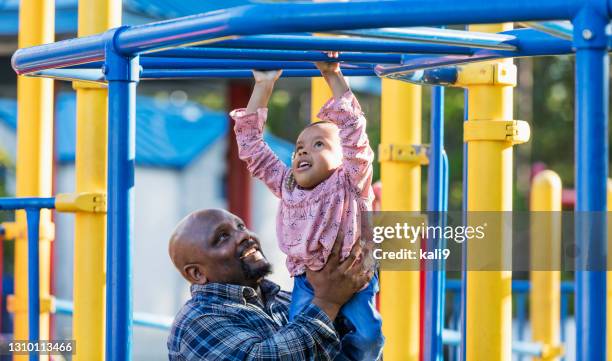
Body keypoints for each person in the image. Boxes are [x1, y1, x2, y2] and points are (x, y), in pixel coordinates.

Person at [229, 53, 383, 361]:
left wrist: (332, 75)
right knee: (305, 341)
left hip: (354, 273)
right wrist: (263, 86)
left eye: (319, 145)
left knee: (367, 339)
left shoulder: (351, 181)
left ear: (343, 158)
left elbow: (353, 130)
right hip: (306, 280)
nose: (303, 151)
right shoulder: (287, 184)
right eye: (300, 146)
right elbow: (252, 150)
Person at [167, 208, 374, 360]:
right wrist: (327, 302)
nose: (245, 236)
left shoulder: (285, 300)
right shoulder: (196, 321)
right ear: (197, 273)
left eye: (241, 226)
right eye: (222, 237)